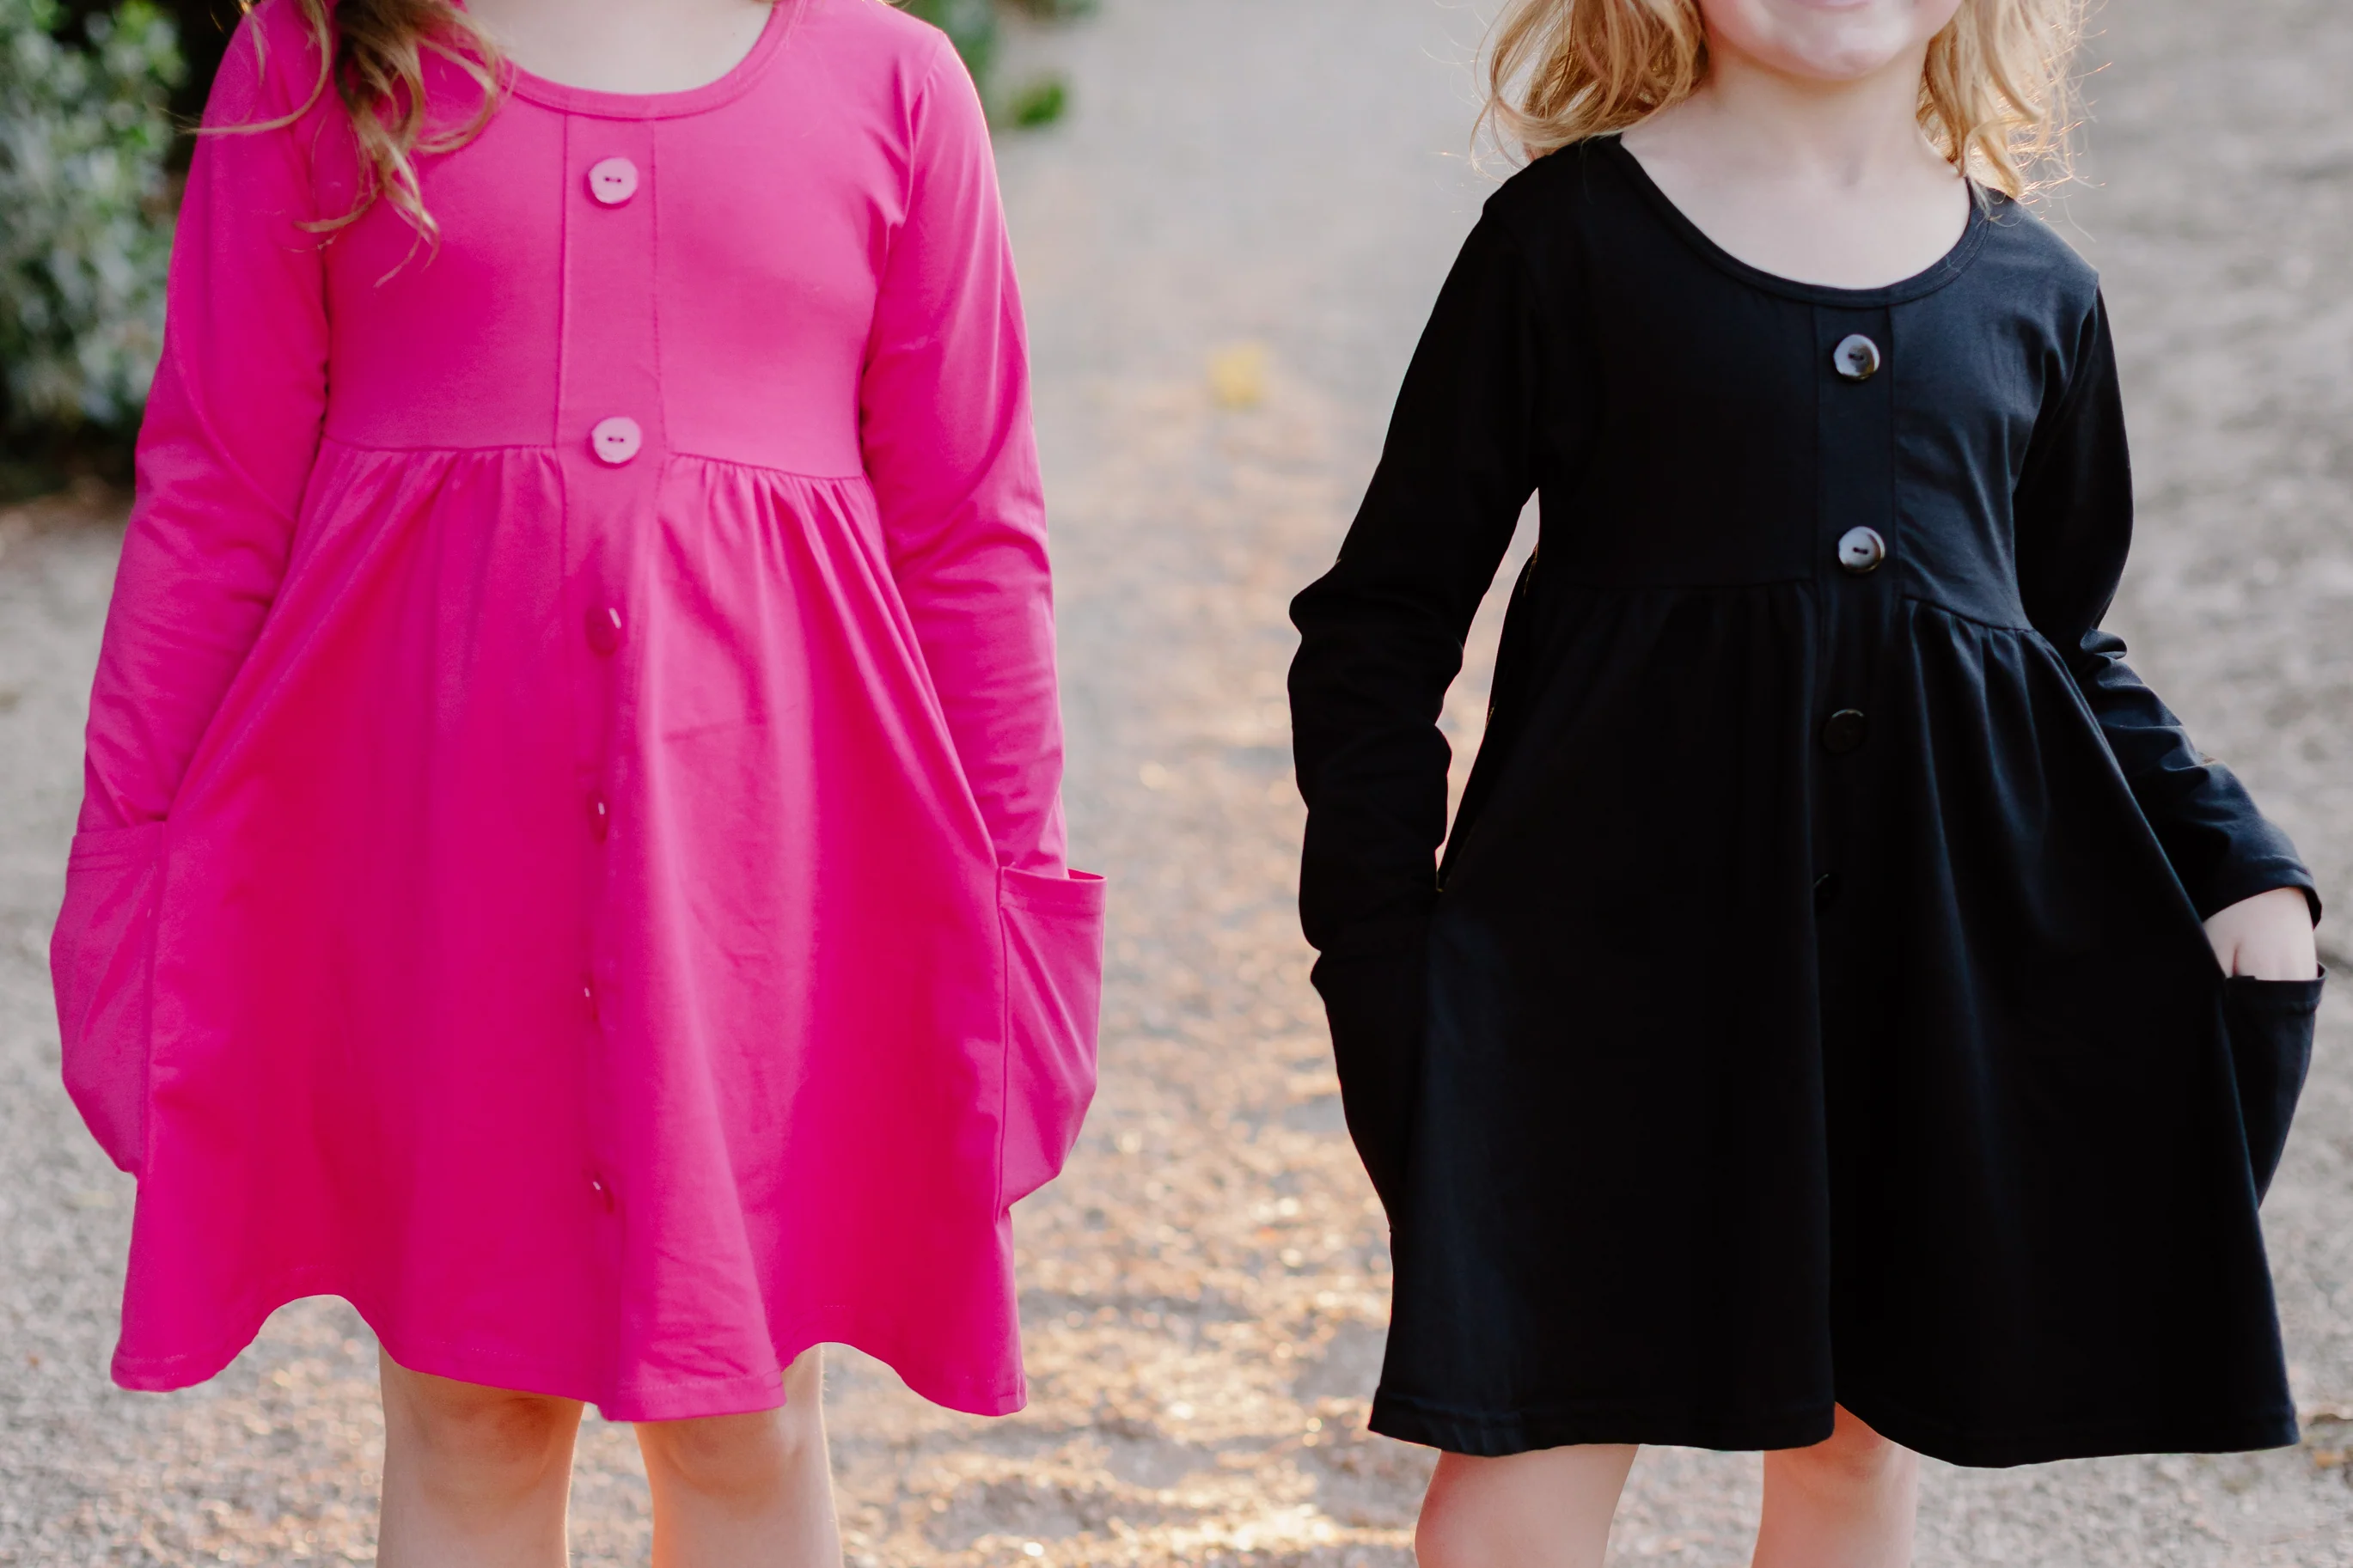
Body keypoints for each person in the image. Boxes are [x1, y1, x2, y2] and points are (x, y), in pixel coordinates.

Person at [47, 0, 1106, 1558]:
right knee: (466, 1409)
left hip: (763, 876)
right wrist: (130, 849)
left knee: (744, 1412)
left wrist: (1020, 891)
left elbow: (971, 538)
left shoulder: (892, 80)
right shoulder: (317, 54)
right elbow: (214, 498)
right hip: (424, 861)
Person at [1286, 0, 2325, 1562]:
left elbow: (2050, 641)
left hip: (1915, 963)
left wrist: (2242, 864)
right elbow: (1380, 624)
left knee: (1854, 1455)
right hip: (1591, 979)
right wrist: (1379, 945)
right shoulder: (1560, 244)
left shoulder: (2040, 291)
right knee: (1525, 1454)